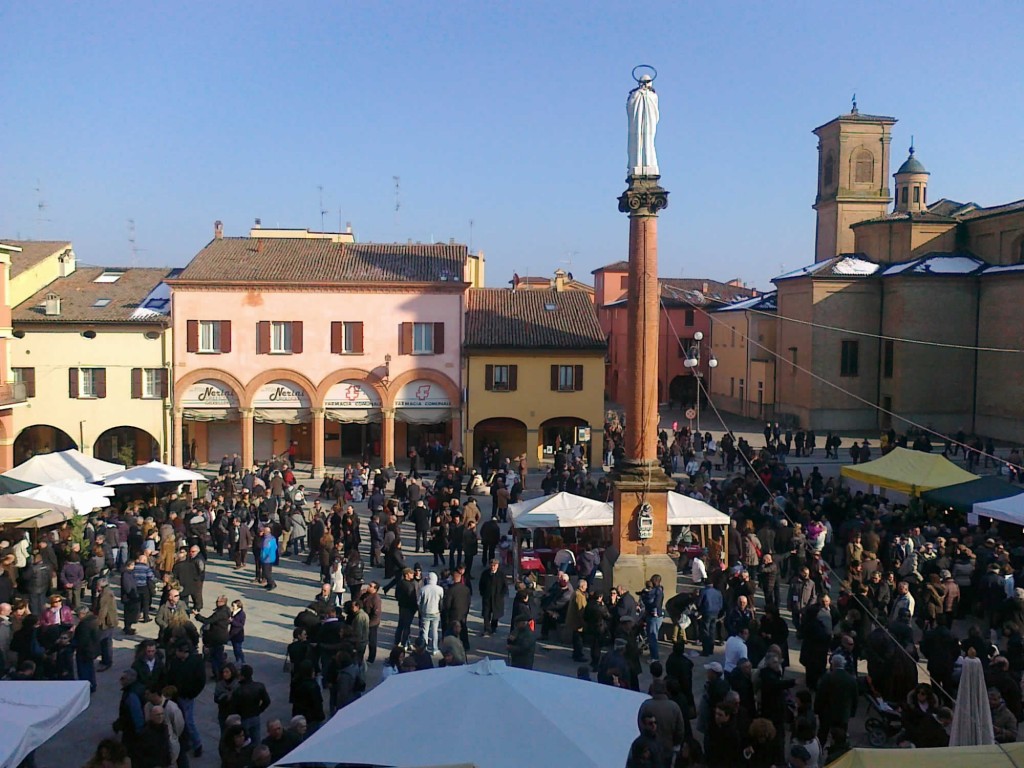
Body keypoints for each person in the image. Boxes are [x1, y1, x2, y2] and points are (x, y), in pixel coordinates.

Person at [231, 663, 271, 745]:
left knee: (244, 741)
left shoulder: (238, 690)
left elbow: (233, 707)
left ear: (242, 676)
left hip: (243, 717)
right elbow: (267, 701)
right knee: (256, 739)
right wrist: (259, 710)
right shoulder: (259, 686)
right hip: (255, 716)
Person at [479, 559, 507, 636]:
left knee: (496, 614)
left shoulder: (501, 574)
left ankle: (493, 627)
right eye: (491, 565)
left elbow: (505, 586)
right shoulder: (485, 574)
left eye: (494, 565)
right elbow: (481, 584)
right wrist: (483, 593)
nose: (492, 567)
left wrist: (501, 595)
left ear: (497, 566)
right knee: (486, 614)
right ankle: (487, 629)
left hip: (497, 598)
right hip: (487, 598)